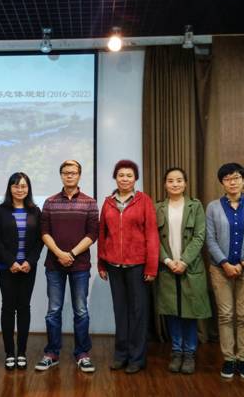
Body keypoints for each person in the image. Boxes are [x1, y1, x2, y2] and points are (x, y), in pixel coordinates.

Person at [35, 160, 99, 373]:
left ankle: (82, 354)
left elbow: (93, 234)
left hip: (80, 265)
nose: (69, 175)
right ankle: (52, 353)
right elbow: (44, 232)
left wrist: (71, 254)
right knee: (53, 310)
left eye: (73, 172)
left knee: (81, 311)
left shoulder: (90, 202)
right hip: (54, 265)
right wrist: (60, 254)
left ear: (79, 175)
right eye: (66, 172)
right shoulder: (50, 202)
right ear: (61, 175)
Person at [98, 159, 159, 374]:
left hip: (138, 266)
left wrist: (151, 267)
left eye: (129, 175)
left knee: (138, 313)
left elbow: (152, 235)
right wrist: (101, 263)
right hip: (114, 265)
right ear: (115, 177)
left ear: (135, 179)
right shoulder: (108, 203)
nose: (125, 179)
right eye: (121, 175)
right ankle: (121, 355)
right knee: (120, 312)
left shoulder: (144, 201)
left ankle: (137, 358)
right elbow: (102, 234)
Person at [206, 162, 244, 380]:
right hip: (220, 270)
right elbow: (210, 239)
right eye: (227, 179)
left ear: (243, 180)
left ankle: (243, 359)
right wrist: (225, 263)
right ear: (222, 183)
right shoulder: (213, 207)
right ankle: (229, 359)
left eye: (236, 178)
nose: (232, 182)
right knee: (225, 315)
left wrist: (242, 264)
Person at [155, 167, 211, 374]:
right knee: (172, 312)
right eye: (170, 180)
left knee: (190, 312)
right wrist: (168, 261)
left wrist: (184, 261)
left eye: (179, 180)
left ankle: (189, 354)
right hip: (167, 268)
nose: (175, 184)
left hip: (190, 267)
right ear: (165, 184)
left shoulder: (195, 206)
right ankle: (176, 352)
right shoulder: (158, 207)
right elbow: (153, 238)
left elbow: (199, 236)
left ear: (185, 183)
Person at [0, 172, 43, 370]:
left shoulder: (35, 211)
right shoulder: (0, 211)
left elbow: (40, 240)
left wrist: (30, 261)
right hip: (7, 268)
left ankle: (21, 352)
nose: (20, 189)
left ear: (28, 188)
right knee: (8, 307)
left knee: (24, 308)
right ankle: (9, 353)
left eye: (23, 186)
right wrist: (11, 261)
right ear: (10, 188)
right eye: (16, 186)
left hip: (28, 268)